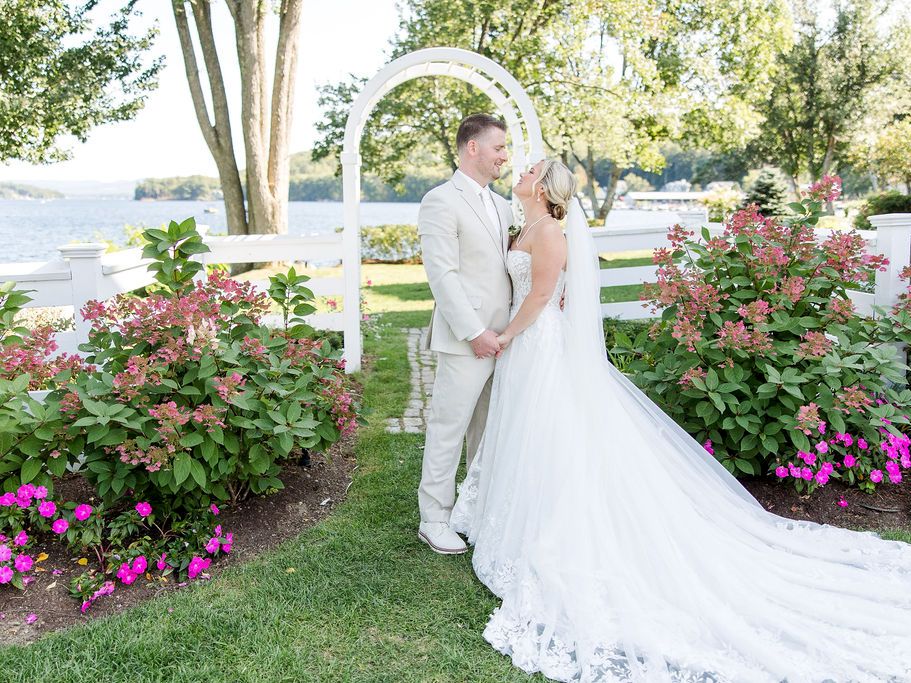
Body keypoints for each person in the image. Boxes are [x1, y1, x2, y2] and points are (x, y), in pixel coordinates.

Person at [451, 158, 911, 682]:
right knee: (526, 431)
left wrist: (507, 336)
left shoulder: (551, 232)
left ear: (544, 186)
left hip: (539, 343)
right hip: (526, 346)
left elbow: (540, 296)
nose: (520, 170)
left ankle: (548, 526)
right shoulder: (526, 224)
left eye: (529, 168)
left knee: (551, 434)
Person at [416, 113, 514, 554]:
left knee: (489, 430)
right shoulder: (440, 201)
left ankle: (473, 512)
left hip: (507, 338)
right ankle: (433, 518)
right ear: (472, 147)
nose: (504, 157)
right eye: (498, 148)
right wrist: (474, 332)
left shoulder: (503, 205)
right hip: (465, 339)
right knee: (448, 428)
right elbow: (443, 274)